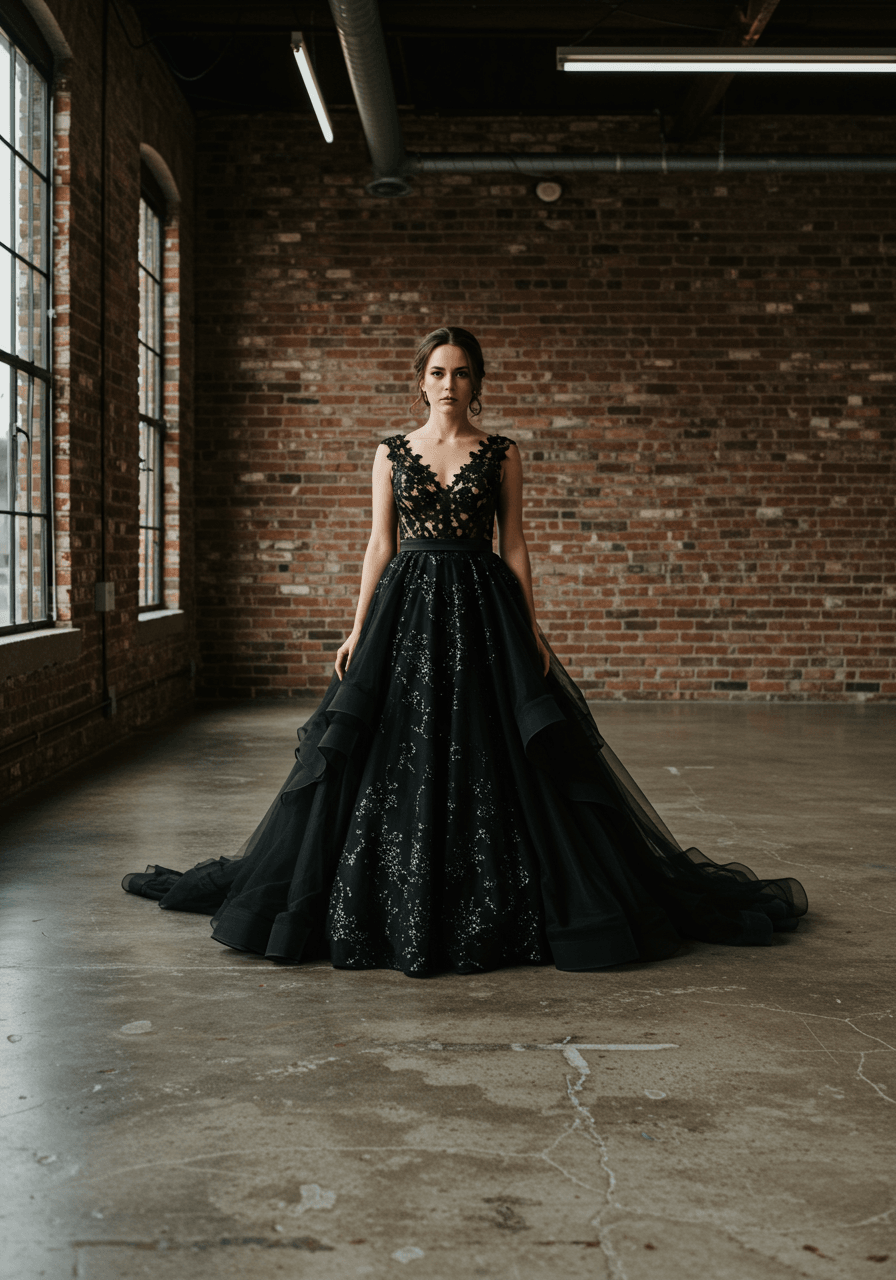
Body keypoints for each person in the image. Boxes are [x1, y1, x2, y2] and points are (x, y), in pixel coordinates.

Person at [123, 326, 807, 976]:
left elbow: (513, 544)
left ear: (477, 382)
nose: (449, 383)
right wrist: (358, 628)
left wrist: (533, 629)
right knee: (395, 748)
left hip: (485, 611)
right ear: (420, 382)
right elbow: (379, 545)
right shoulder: (390, 452)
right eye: (437, 372)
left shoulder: (503, 452)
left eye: (461, 373)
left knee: (494, 746)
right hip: (406, 609)